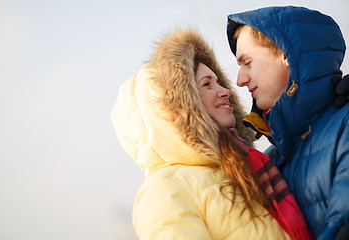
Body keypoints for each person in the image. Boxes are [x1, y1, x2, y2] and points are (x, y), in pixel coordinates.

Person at [111, 28, 313, 239]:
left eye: (218, 82)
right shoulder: (164, 190)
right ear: (177, 106)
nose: (226, 91)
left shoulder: (249, 167)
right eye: (207, 84)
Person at [226, 6, 349, 240]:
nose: (240, 80)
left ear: (285, 54)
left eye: (248, 63)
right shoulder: (271, 159)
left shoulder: (345, 124)